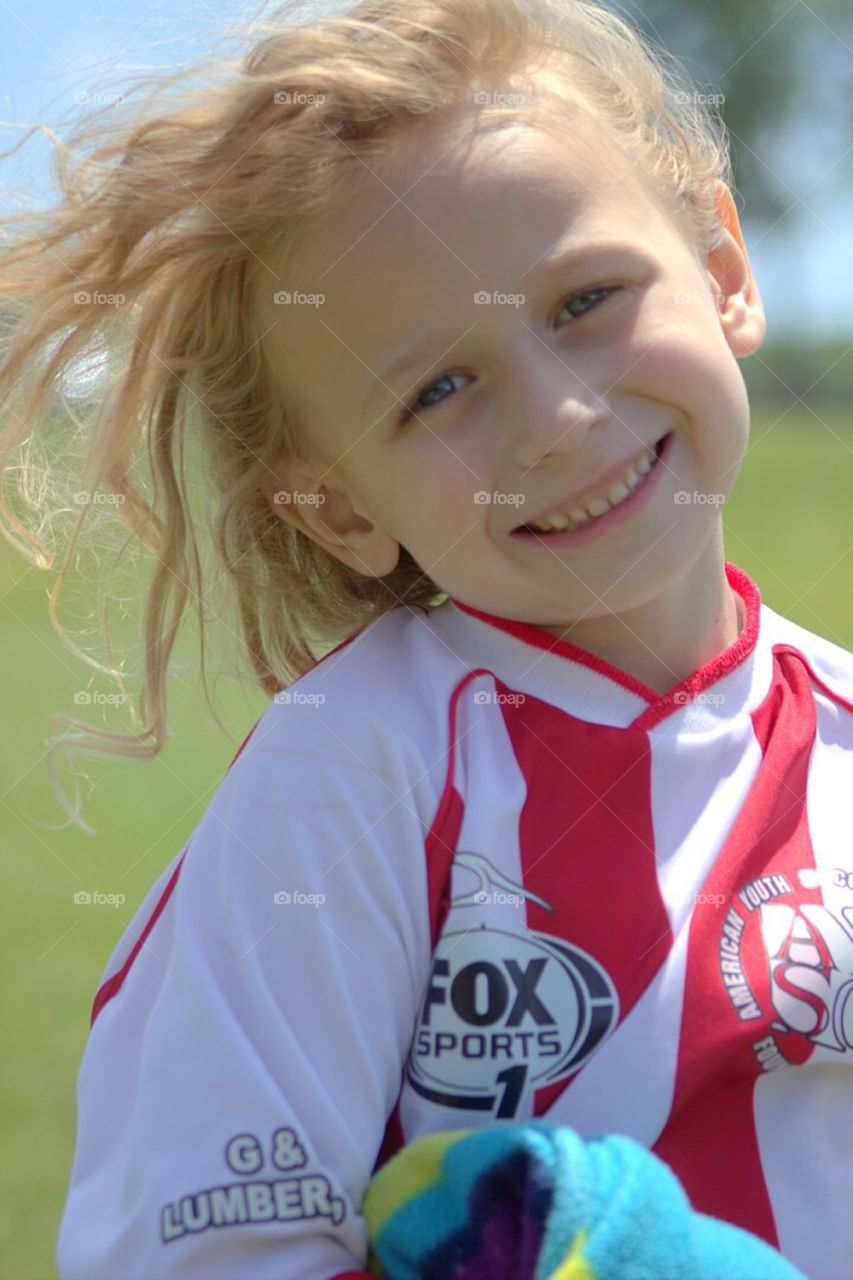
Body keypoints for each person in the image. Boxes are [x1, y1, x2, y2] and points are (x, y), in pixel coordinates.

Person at [0, 0, 849, 1277]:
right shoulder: (352, 776)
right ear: (338, 505)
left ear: (723, 270)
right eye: (437, 388)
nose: (556, 417)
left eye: (586, 299)